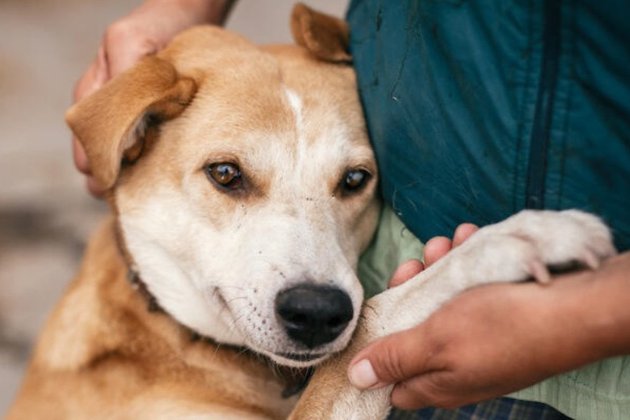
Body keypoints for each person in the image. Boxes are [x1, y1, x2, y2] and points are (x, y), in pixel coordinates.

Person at [71, 1, 630, 419]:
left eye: (351, 180)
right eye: (228, 176)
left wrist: (580, 316)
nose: (311, 284)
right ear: (135, 137)